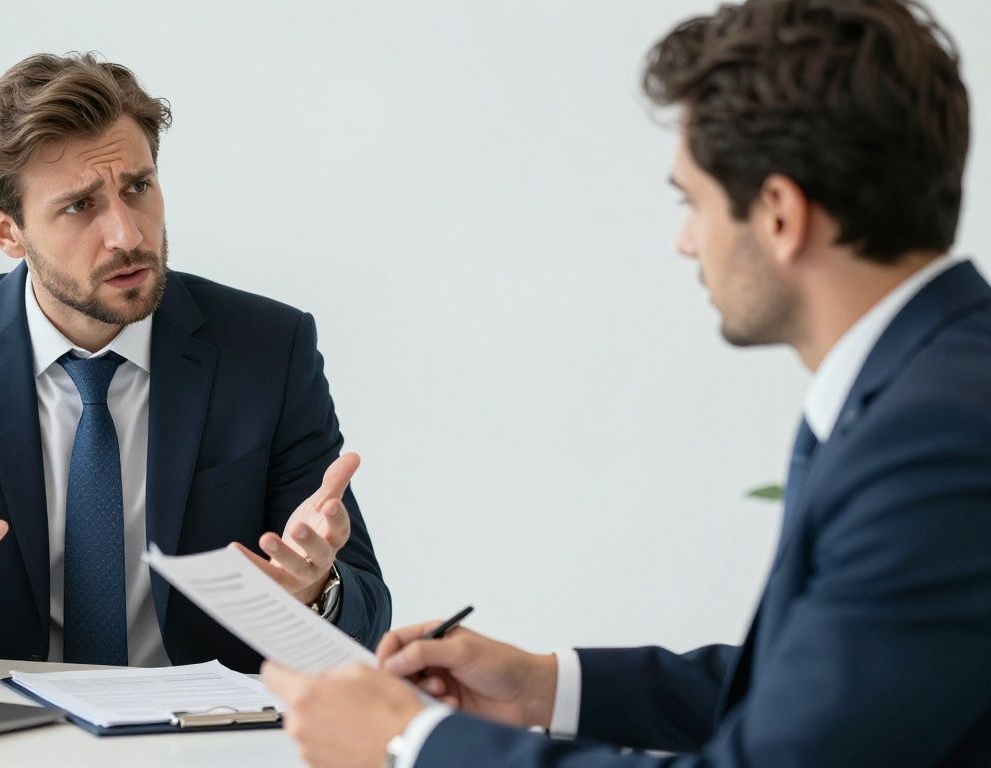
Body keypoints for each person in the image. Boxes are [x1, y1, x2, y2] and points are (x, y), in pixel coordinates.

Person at [262, 0, 991, 764]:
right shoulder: (929, 389)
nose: (685, 241)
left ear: (779, 214)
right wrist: (546, 687)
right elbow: (821, 695)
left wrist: (411, 742)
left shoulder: (935, 439)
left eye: (693, 202)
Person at [0, 53, 391, 672]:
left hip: (209, 722)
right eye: (80, 206)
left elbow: (366, 614)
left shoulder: (267, 349)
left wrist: (315, 591)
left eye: (137, 188)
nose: (127, 234)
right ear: (6, 231)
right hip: (2, 721)